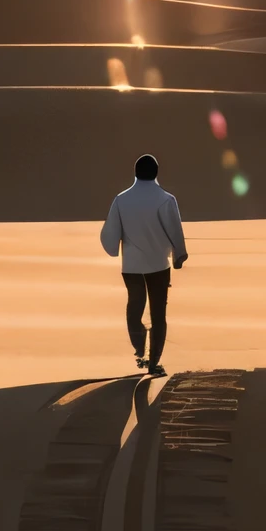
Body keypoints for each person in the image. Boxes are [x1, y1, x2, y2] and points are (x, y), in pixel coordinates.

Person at [100, 153, 187, 377]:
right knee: (158, 314)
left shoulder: (121, 199)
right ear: (156, 173)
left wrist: (112, 248)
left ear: (136, 173)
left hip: (131, 265)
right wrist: (179, 255)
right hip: (159, 264)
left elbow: (110, 234)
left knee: (135, 306)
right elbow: (175, 230)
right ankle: (154, 362)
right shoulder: (166, 199)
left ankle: (139, 348)